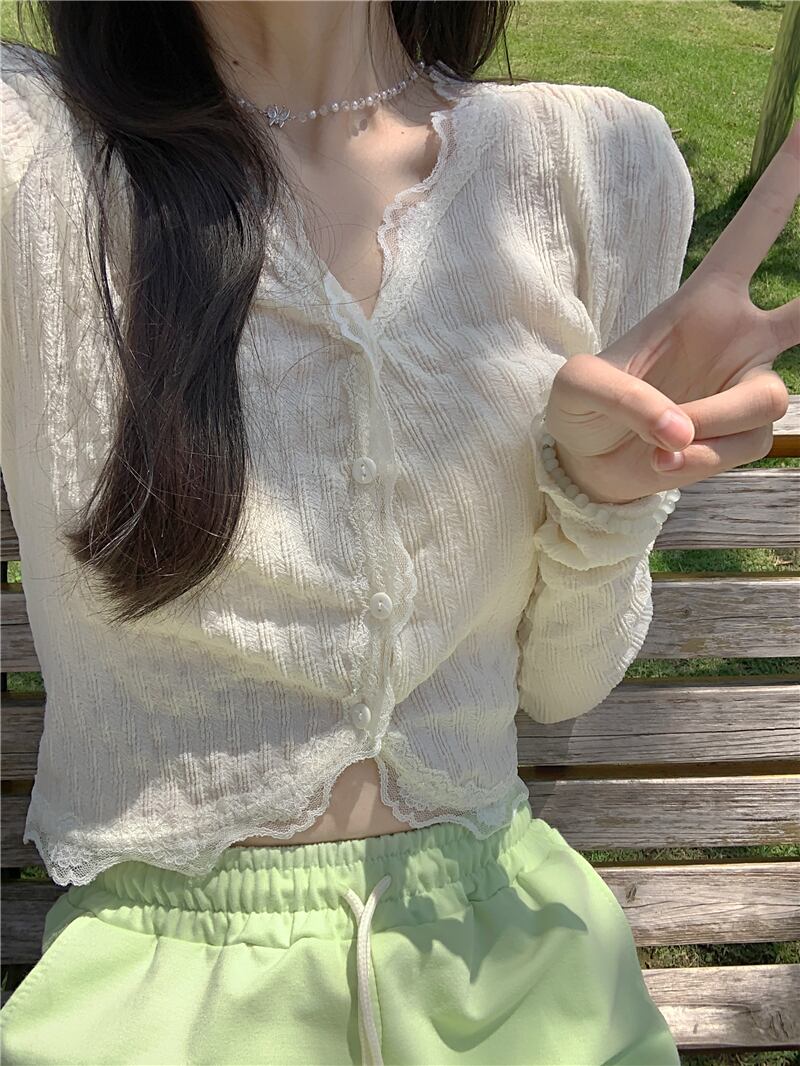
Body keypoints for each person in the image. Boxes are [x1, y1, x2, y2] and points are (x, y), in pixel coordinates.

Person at [0, 1, 796, 1063]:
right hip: (161, 998)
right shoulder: (32, 158)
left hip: (519, 968)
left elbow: (563, 683)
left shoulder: (594, 164)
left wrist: (607, 496)